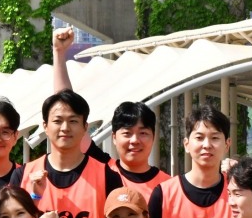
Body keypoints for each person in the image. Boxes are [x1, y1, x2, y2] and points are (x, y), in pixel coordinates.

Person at [24, 84, 123, 218]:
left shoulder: (107, 176)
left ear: (85, 127)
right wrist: (33, 198)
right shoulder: (25, 176)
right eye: (57, 121)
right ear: (45, 126)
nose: (65, 127)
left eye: (73, 121)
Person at [52, 27, 168, 193]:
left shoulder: (168, 186)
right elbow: (65, 106)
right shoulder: (104, 170)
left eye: (143, 133)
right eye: (127, 133)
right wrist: (59, 52)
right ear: (114, 137)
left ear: (153, 137)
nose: (134, 140)